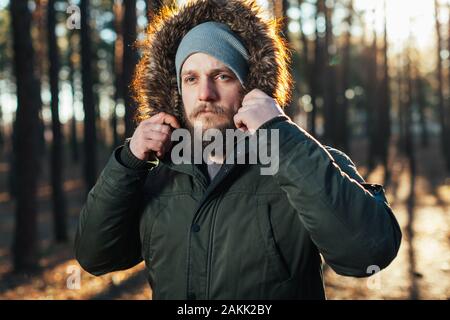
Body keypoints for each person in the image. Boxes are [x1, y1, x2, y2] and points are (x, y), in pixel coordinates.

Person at [75, 0, 402, 299]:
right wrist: (128, 163)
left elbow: (367, 254)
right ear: (177, 91)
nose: (205, 93)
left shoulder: (306, 163)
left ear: (250, 85)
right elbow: (96, 256)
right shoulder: (155, 178)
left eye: (222, 75)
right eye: (191, 78)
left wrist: (279, 136)